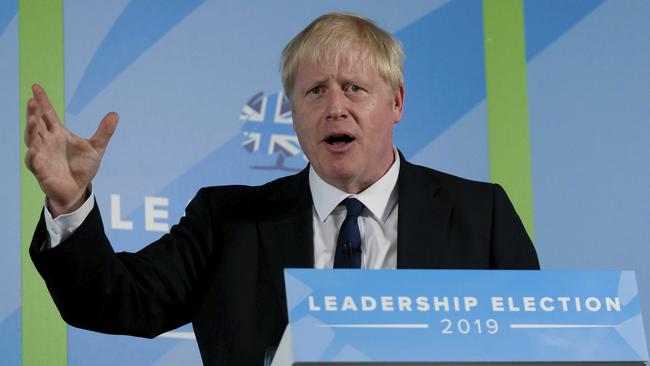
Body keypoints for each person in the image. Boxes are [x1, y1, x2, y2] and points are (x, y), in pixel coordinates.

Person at [26, 12, 539, 366]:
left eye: (354, 88)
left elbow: (536, 347)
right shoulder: (226, 221)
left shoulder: (480, 214)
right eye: (315, 91)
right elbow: (115, 302)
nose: (335, 107)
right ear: (293, 114)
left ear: (397, 101)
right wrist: (69, 203)